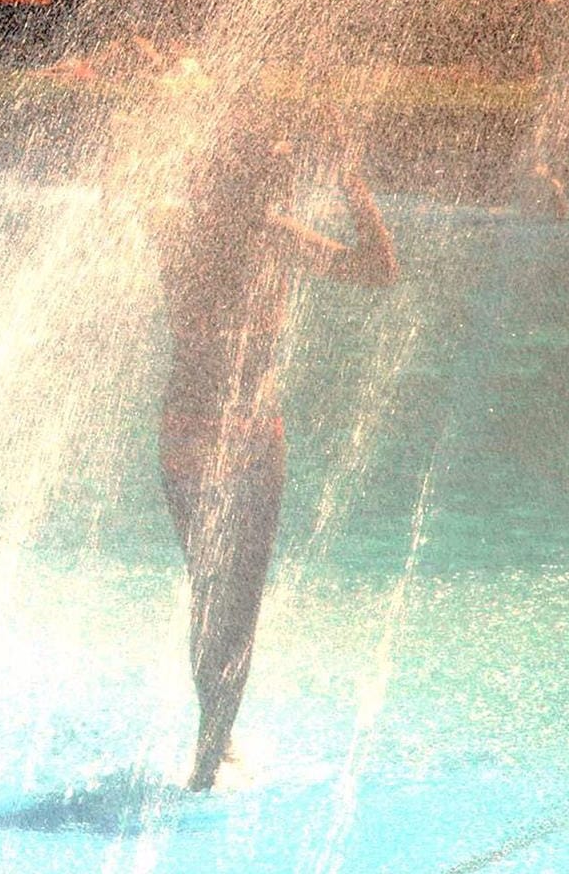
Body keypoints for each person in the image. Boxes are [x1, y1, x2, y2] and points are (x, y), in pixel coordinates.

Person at [149, 99, 396, 791]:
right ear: (259, 180)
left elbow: (132, 196)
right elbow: (380, 268)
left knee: (208, 588)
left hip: (186, 426)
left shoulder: (175, 228)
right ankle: (209, 748)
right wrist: (353, 186)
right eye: (282, 166)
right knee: (240, 598)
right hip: (250, 431)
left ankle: (213, 735)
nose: (290, 177)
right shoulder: (273, 236)